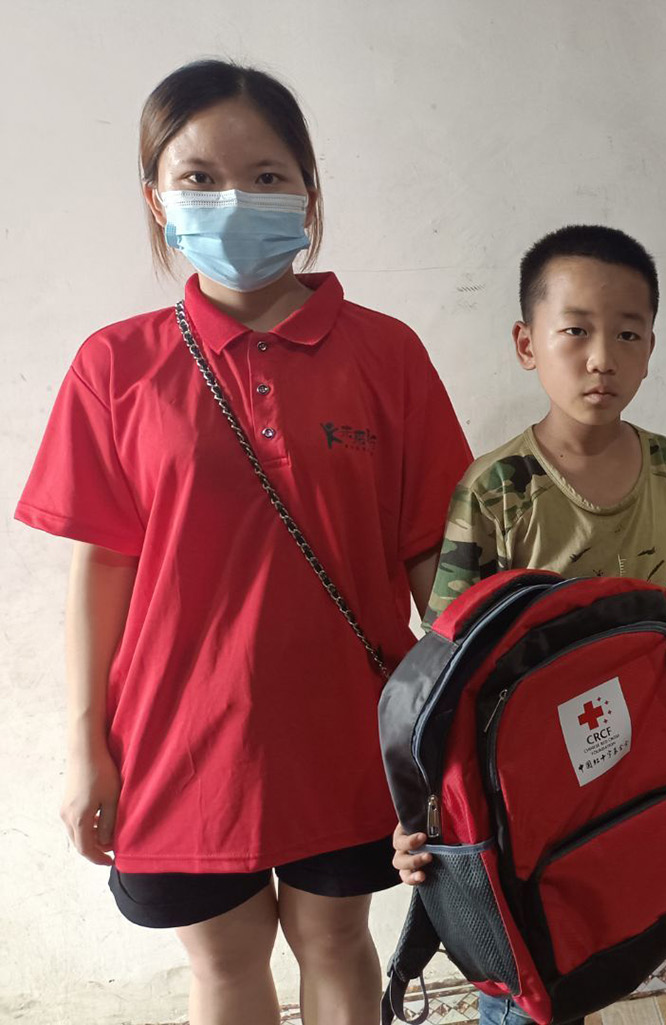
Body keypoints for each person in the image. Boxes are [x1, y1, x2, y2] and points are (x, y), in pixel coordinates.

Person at [14, 60, 472, 1025]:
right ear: (156, 198)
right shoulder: (115, 366)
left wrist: (470, 716)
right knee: (224, 968)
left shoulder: (386, 354)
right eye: (199, 177)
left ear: (308, 191)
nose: (233, 199)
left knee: (337, 943)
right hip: (177, 743)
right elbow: (102, 572)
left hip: (349, 729)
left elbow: (435, 559)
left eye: (265, 175)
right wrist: (84, 746)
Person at [394, 224, 666, 1025]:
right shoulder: (496, 489)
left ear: (650, 349)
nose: (602, 357)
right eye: (575, 330)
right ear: (527, 344)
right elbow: (444, 673)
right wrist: (424, 821)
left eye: (628, 334)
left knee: (608, 924)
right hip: (524, 784)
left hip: (633, 759)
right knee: (528, 964)